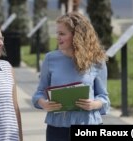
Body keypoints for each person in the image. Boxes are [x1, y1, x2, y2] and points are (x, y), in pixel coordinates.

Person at [32, 12, 110, 141]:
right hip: (57, 129)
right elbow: (39, 93)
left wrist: (93, 104)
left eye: (62, 34)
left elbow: (104, 98)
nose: (58, 37)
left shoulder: (97, 61)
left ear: (76, 36)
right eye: (57, 33)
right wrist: (44, 104)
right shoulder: (50, 59)